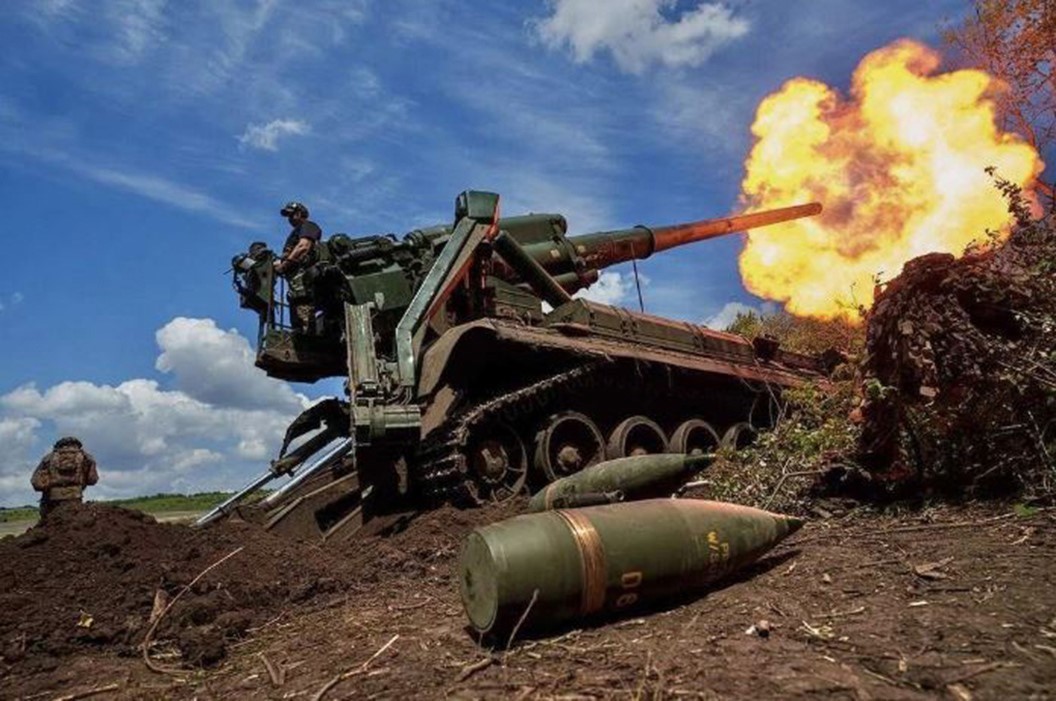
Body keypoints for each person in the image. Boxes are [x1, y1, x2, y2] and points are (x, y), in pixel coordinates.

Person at [275, 201, 323, 332]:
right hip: (296, 288)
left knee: (306, 322)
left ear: (300, 214)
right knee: (298, 321)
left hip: (304, 286)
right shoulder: (295, 232)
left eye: (292, 215)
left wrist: (284, 265)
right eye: (288, 216)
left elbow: (303, 247)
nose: (289, 219)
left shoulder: (308, 226)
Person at [30, 437, 99, 519]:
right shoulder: (87, 458)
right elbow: (92, 480)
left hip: (51, 500)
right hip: (75, 498)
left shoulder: (48, 458)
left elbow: (35, 482)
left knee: (50, 523)